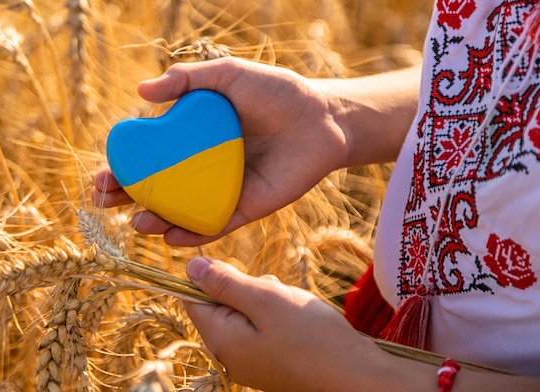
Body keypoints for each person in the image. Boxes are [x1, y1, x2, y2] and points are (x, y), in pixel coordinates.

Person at [92, 1, 540, 390]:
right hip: (379, 329)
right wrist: (337, 117)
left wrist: (355, 376)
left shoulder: (354, 373)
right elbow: (503, 69)